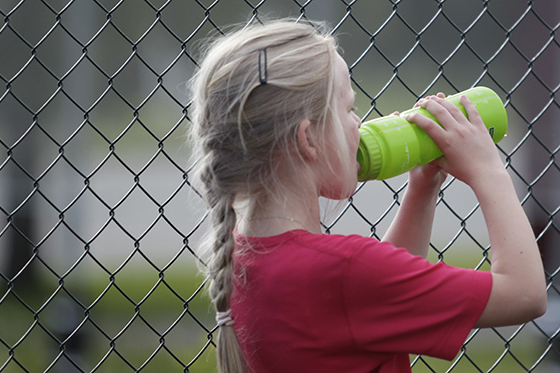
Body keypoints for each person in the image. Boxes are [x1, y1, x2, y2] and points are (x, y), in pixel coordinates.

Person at [188, 19, 547, 373]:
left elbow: (378, 298)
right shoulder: (344, 270)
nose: (358, 123)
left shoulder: (245, 258)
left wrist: (422, 187)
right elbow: (525, 295)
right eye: (347, 109)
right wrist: (489, 171)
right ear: (308, 139)